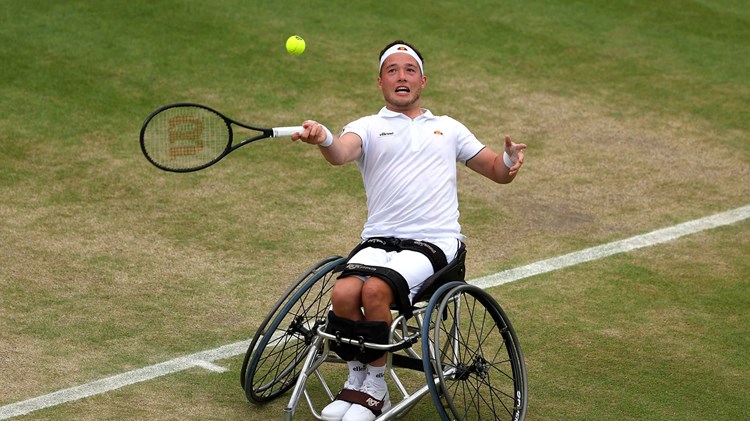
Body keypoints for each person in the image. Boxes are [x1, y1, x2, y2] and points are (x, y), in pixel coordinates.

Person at [293, 40, 526, 421]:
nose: (401, 76)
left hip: (435, 243)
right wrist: (324, 138)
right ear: (380, 83)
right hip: (379, 241)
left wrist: (508, 159)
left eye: (409, 70)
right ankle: (357, 381)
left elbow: (496, 172)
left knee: (375, 290)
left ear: (422, 81)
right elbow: (341, 152)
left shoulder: (448, 128)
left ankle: (377, 389)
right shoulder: (366, 127)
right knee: (344, 291)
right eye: (392, 70)